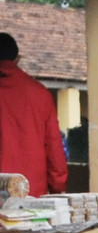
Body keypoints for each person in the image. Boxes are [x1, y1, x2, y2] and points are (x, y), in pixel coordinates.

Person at [0, 32, 68, 196]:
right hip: (31, 192)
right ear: (18, 59)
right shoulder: (40, 94)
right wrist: (57, 185)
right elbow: (53, 146)